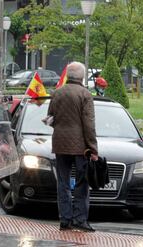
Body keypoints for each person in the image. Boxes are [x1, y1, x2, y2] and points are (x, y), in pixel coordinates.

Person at [47, 62, 98, 232]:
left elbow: (50, 117)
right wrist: (93, 148)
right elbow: (89, 124)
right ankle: (80, 220)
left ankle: (65, 219)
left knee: (63, 182)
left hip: (60, 143)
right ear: (82, 77)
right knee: (82, 183)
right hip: (80, 146)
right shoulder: (85, 94)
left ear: (68, 75)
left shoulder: (57, 93)